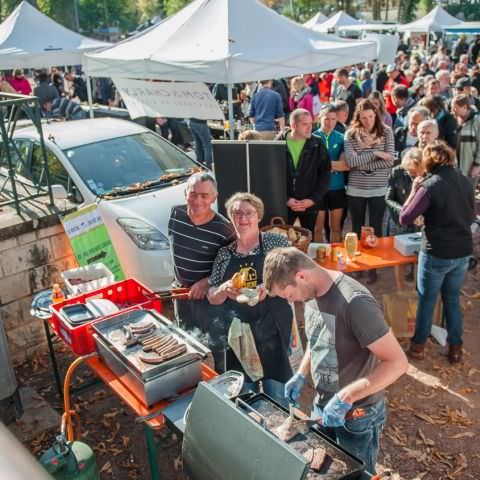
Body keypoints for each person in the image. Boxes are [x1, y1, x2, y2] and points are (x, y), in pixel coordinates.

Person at [262, 247, 408, 475]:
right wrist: (302, 371)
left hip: (356, 413)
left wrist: (345, 397)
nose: (291, 301)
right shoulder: (310, 291)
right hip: (322, 405)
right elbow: (320, 334)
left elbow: (397, 363)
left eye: (290, 296)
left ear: (301, 276)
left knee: (355, 475)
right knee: (321, 471)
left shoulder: (355, 303)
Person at [207, 193, 293, 403]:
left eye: (249, 213)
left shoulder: (275, 242)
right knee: (245, 395)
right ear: (231, 217)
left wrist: (269, 287)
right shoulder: (225, 254)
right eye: (237, 213)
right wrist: (223, 290)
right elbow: (212, 297)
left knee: (277, 394)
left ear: (259, 216)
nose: (243, 218)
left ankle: (280, 430)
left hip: (273, 326)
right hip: (239, 331)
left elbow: (294, 278)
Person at [400, 142, 474, 364]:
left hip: (437, 251)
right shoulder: (465, 181)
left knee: (427, 301)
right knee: (451, 300)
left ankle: (418, 347)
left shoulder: (429, 185)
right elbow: (471, 216)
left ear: (429, 161)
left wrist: (414, 191)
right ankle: (455, 349)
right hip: (461, 251)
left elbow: (405, 218)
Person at [168, 173, 236, 371]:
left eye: (204, 196)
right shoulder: (175, 214)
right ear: (185, 194)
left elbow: (234, 266)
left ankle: (224, 385)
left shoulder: (224, 228)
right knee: (186, 338)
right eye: (193, 194)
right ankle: (189, 379)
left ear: (214, 198)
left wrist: (207, 282)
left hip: (211, 298)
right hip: (181, 293)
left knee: (219, 344)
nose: (198, 200)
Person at [344, 99, 395, 283]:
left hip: (378, 188)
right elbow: (351, 162)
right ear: (358, 117)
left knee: (375, 227)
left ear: (376, 115)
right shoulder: (351, 134)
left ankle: (373, 265)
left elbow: (390, 161)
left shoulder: (387, 132)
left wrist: (363, 157)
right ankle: (357, 264)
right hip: (356, 189)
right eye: (364, 117)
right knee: (356, 228)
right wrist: (376, 153)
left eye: (371, 117)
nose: (368, 121)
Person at [276, 108, 330, 236]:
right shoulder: (278, 142)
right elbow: (272, 176)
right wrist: (286, 199)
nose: (310, 128)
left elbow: (325, 174)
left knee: (307, 241)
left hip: (309, 204)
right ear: (294, 125)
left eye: (311, 124)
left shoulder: (318, 143)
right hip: (284, 205)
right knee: (282, 241)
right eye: (305, 124)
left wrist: (313, 200)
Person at [313, 104, 349, 243]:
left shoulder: (342, 138)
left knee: (335, 228)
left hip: (337, 188)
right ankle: (318, 260)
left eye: (333, 119)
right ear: (319, 118)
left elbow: (345, 165)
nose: (330, 123)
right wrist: (334, 166)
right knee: (318, 228)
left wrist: (323, 165)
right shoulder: (312, 138)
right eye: (326, 119)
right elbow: (312, 167)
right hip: (318, 190)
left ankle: (334, 260)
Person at [452, 94, 480, 188]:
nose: (453, 111)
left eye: (455, 108)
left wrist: (477, 165)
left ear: (464, 107)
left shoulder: (477, 121)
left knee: (468, 193)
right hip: (456, 165)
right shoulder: (455, 120)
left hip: (470, 166)